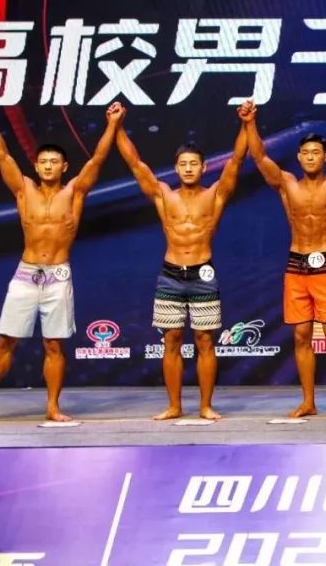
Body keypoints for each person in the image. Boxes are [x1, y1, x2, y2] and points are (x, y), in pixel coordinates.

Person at [0, 99, 123, 423]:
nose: (48, 166)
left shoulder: (75, 192)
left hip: (58, 275)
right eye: (43, 162)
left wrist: (112, 124)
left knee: (53, 345)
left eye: (54, 162)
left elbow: (98, 158)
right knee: (5, 341)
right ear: (36, 166)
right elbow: (1, 154)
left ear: (64, 167)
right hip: (26, 273)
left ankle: (53, 406)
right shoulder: (24, 190)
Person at [116, 103, 251, 420]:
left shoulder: (215, 194)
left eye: (194, 164)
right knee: (171, 340)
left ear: (204, 167)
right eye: (183, 164)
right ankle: (175, 406)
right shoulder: (164, 194)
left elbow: (236, 160)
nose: (189, 169)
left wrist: (247, 124)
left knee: (205, 340)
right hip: (171, 274)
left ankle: (205, 405)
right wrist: (118, 127)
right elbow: (135, 163)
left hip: (203, 274)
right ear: (176, 168)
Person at [244, 97, 326, 419]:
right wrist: (249, 123)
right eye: (306, 152)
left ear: (325, 157)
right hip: (295, 266)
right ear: (299, 156)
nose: (311, 156)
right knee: (301, 335)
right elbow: (259, 156)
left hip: (325, 264)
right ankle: (308, 402)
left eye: (316, 152)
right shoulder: (287, 184)